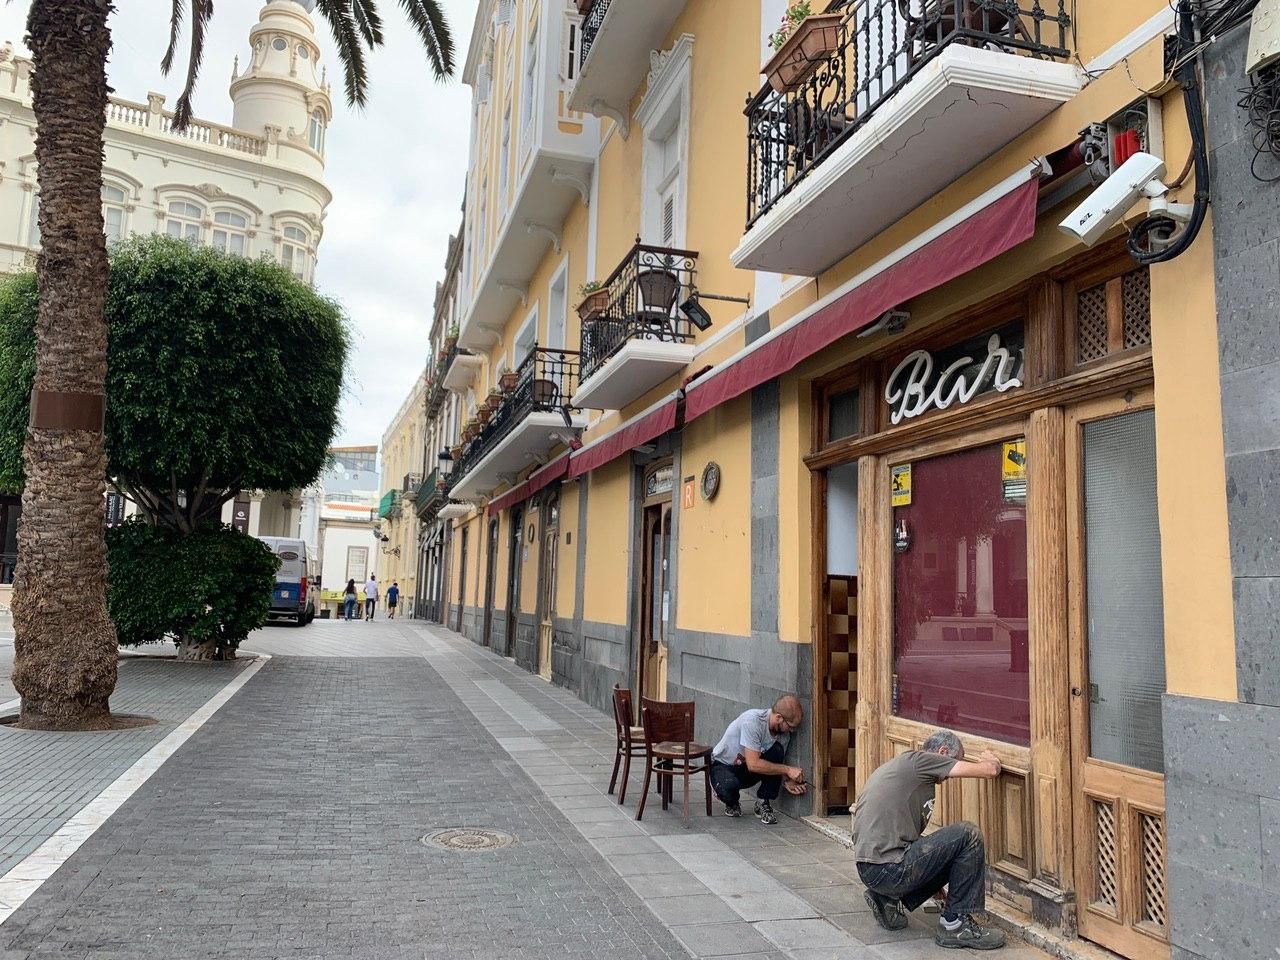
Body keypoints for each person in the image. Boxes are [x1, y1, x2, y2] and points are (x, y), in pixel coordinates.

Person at [851, 729, 1006, 950]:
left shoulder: (904, 768)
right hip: (889, 869)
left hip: (872, 871)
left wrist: (931, 878)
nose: (949, 774)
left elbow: (912, 843)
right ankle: (956, 926)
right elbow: (989, 771)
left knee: (948, 846)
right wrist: (991, 758)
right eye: (956, 761)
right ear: (942, 752)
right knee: (968, 834)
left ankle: (886, 899)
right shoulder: (922, 761)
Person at [709, 694, 807, 825]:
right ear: (778, 718)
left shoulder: (783, 735)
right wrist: (788, 770)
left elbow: (776, 764)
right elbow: (753, 764)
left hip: (747, 768)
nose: (792, 730)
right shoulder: (752, 722)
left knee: (776, 751)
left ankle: (763, 801)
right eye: (790, 726)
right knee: (728, 786)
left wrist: (787, 781)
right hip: (724, 765)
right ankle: (731, 802)